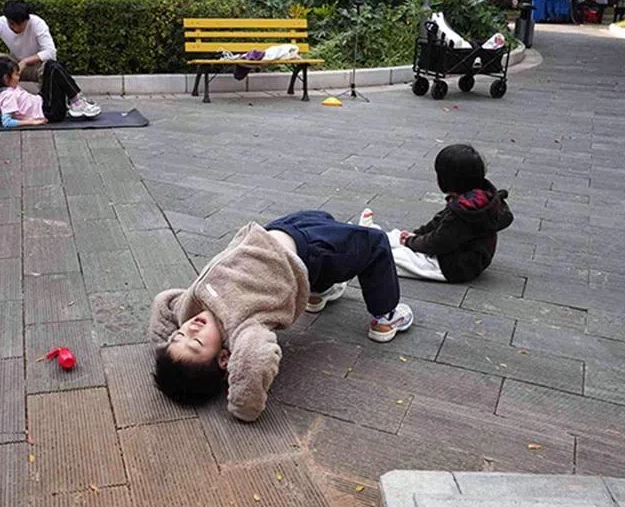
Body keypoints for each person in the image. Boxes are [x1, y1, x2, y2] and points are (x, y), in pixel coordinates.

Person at [148, 210, 414, 421]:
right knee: (373, 243)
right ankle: (385, 315)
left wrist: (162, 348)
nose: (190, 329)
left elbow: (163, 303)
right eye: (196, 343)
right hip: (310, 252)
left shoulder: (187, 309)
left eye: (178, 336)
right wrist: (244, 406)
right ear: (224, 358)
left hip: (272, 232)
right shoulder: (242, 329)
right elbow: (254, 361)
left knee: (321, 216)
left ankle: (320, 290)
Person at [0, 0, 99, 116]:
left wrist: (25, 61)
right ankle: (1, 100)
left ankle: (77, 101)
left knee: (52, 64)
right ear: (7, 20)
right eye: (12, 25)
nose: (16, 29)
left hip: (37, 67)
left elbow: (51, 52)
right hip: (15, 65)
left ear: (27, 20)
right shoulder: (0, 24)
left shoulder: (38, 24)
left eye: (20, 25)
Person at [385, 144, 514, 283]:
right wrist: (416, 234)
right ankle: (376, 238)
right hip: (469, 259)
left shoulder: (463, 211)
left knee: (392, 258)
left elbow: (437, 242)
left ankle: (372, 247)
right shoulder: (476, 198)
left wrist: (410, 242)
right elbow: (439, 222)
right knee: (397, 238)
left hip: (455, 267)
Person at [0, 56, 99, 128]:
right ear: (6, 78)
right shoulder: (8, 95)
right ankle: (77, 101)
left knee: (51, 65)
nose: (18, 77)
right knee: (53, 68)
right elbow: (7, 122)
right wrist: (32, 122)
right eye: (16, 74)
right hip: (49, 112)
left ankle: (75, 101)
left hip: (42, 102)